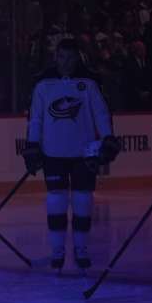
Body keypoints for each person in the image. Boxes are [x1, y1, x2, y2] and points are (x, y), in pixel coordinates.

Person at [23, 38, 119, 271]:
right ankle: (57, 252)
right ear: (55, 57)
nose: (65, 62)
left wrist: (107, 137)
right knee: (56, 201)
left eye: (69, 57)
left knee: (83, 201)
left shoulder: (89, 83)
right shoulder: (43, 85)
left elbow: (101, 114)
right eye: (61, 56)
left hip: (84, 153)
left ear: (77, 58)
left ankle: (81, 249)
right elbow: (35, 118)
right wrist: (33, 144)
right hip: (52, 153)